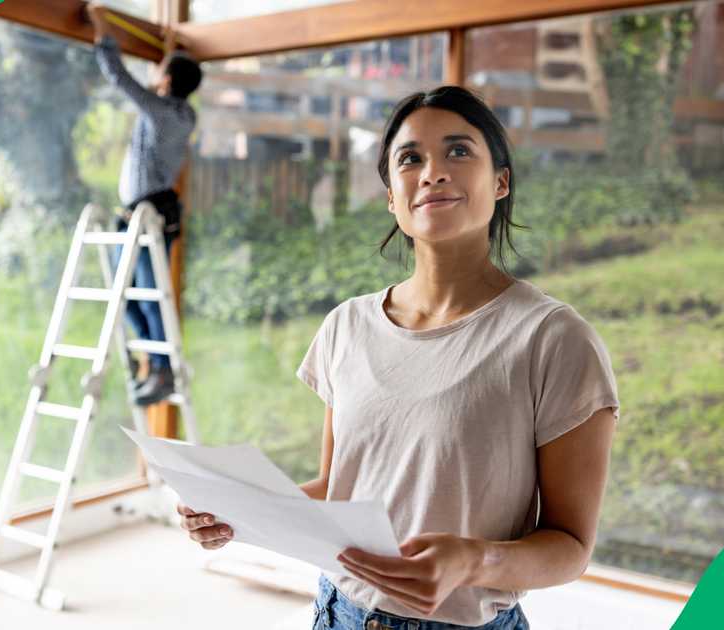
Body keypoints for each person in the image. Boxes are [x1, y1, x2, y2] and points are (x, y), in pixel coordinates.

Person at [175, 86, 621, 629]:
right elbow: (339, 487)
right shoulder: (346, 325)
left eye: (458, 151)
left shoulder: (554, 339)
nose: (433, 173)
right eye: (410, 159)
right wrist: (237, 509)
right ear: (391, 196)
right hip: (338, 613)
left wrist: (473, 561)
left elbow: (570, 546)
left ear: (501, 181)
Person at [87, 2, 202, 406]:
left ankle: (161, 369)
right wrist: (169, 51)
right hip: (145, 213)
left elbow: (119, 77)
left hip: (148, 215)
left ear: (166, 80)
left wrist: (101, 26)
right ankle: (155, 365)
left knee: (148, 295)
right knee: (128, 296)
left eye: (162, 71)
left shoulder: (160, 111)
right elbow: (161, 87)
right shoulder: (184, 114)